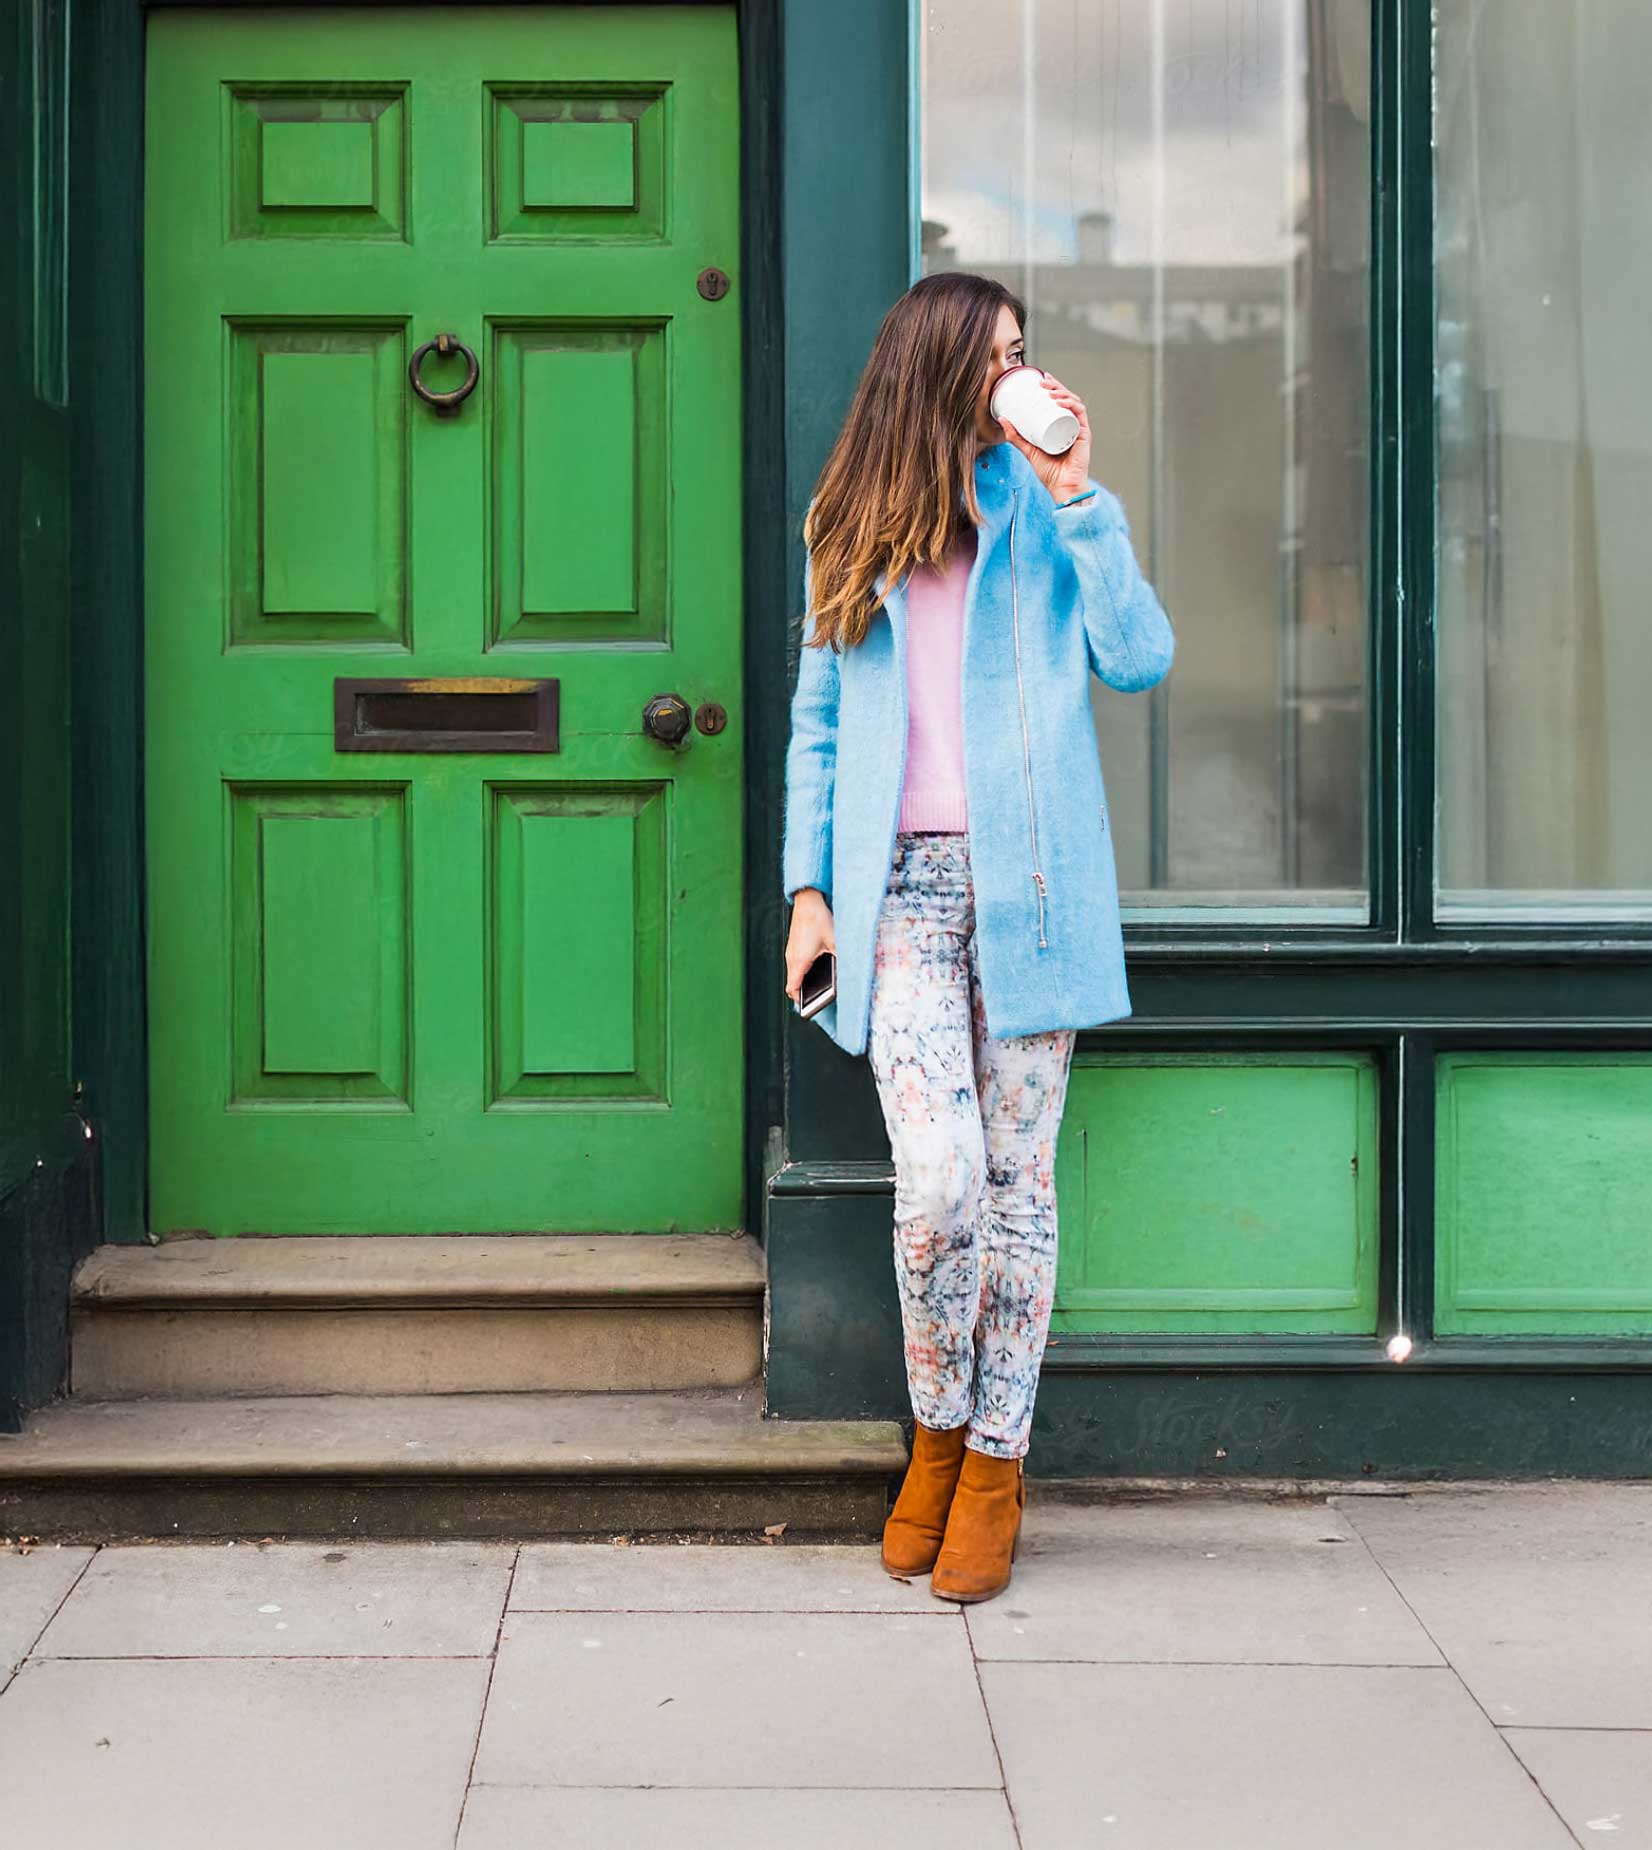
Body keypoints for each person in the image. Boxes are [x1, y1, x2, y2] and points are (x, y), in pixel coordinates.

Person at [781, 271, 1176, 1603]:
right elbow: (818, 724)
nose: (1021, 374)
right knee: (940, 1182)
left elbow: (1139, 655)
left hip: (1035, 888)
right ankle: (937, 1431)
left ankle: (994, 1467)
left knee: (1019, 1189)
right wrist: (808, 891)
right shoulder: (851, 521)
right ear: (939, 368)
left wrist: (1076, 492)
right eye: (998, 356)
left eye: (1025, 352)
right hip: (896, 890)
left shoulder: (1048, 513)